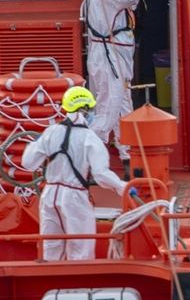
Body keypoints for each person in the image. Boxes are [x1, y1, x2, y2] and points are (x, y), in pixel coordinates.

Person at [21, 86, 132, 261]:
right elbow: (101, 175)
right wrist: (123, 187)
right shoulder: (90, 138)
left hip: (49, 195)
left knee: (50, 245)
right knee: (81, 247)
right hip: (75, 197)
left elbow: (28, 163)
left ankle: (49, 282)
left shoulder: (50, 132)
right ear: (86, 109)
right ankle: (78, 285)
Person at [84, 0, 142, 162]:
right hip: (110, 58)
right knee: (108, 108)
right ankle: (84, 153)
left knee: (122, 106)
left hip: (115, 58)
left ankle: (127, 152)